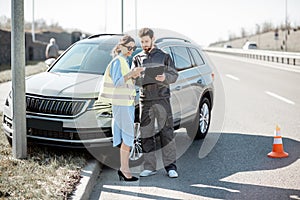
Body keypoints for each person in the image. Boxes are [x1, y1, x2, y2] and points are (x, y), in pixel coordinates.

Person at [131, 28, 179, 178]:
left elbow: (174, 74)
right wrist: (137, 76)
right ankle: (149, 167)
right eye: (142, 42)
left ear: (153, 39)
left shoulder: (164, 56)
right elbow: (133, 79)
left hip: (162, 99)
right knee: (146, 134)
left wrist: (164, 77)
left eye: (146, 41)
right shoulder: (137, 58)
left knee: (166, 132)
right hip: (145, 100)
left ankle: (171, 167)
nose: (144, 44)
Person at [98, 35, 144, 182]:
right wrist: (132, 73)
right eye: (128, 47)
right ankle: (124, 170)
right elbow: (118, 82)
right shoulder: (118, 61)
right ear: (120, 47)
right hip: (122, 105)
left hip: (125, 104)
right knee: (128, 138)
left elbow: (125, 82)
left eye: (133, 48)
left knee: (125, 137)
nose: (131, 50)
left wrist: (133, 76)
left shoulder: (123, 61)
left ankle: (124, 169)